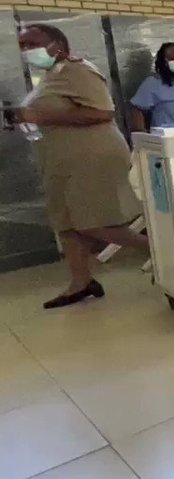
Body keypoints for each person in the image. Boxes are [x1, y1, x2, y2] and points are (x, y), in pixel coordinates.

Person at [11, 24, 147, 309]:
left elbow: (102, 112)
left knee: (92, 222)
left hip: (91, 158)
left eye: (33, 43)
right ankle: (81, 282)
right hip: (60, 161)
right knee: (67, 224)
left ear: (58, 44)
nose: (28, 51)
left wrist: (40, 115)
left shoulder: (79, 70)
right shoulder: (50, 76)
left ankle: (160, 251)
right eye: (23, 46)